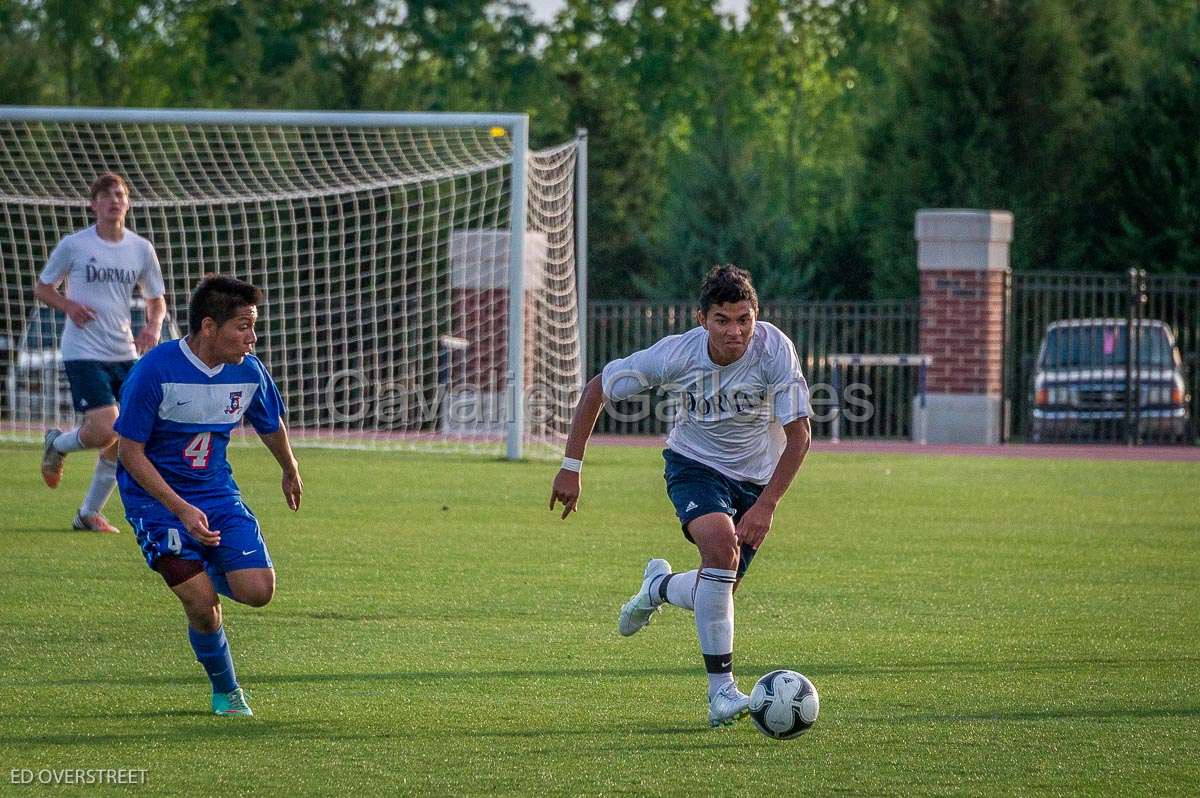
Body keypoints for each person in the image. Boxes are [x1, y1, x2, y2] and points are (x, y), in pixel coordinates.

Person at [550, 265, 812, 728]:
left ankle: (658, 587)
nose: (735, 331)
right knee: (720, 546)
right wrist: (571, 468)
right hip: (694, 466)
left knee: (718, 587)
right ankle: (722, 694)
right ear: (701, 320)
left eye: (743, 319)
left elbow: (800, 436)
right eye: (722, 320)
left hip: (756, 480)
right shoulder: (676, 355)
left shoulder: (774, 349)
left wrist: (766, 505)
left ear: (756, 315)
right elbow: (597, 390)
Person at [114, 275, 302, 717]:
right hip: (156, 501)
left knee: (258, 591)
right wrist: (179, 507)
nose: (252, 338)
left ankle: (204, 569)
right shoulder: (154, 371)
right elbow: (130, 453)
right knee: (201, 603)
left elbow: (269, 423)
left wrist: (289, 468)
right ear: (208, 327)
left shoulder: (248, 370)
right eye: (243, 326)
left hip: (216, 493)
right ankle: (227, 691)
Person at [35, 172, 167, 533]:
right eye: (106, 195)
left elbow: (157, 300)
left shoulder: (140, 249)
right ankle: (57, 444)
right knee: (106, 428)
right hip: (83, 350)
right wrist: (68, 306)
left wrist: (152, 327)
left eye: (120, 195)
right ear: (93, 204)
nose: (114, 200)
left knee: (129, 434)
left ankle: (88, 513)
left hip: (124, 350)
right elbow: (43, 288)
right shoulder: (75, 245)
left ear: (128, 203)